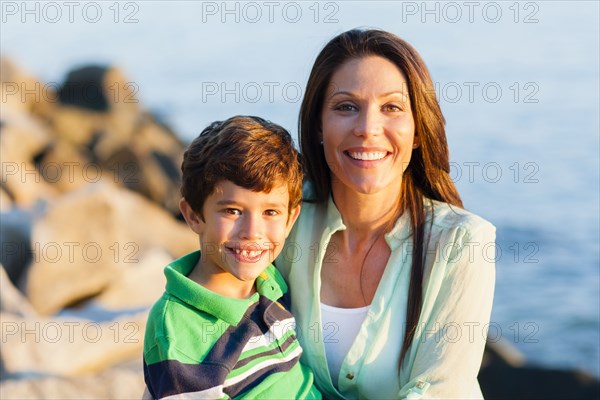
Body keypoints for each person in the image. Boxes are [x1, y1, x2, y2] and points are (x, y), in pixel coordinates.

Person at [276, 29, 496, 399]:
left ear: (417, 131)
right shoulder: (284, 217)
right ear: (318, 125)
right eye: (346, 107)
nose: (367, 129)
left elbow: (442, 391)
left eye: (391, 107)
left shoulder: (461, 243)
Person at [143, 115, 321, 399]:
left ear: (291, 219)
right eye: (232, 211)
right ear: (193, 215)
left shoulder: (269, 279)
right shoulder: (176, 327)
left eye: (270, 212)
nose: (252, 232)